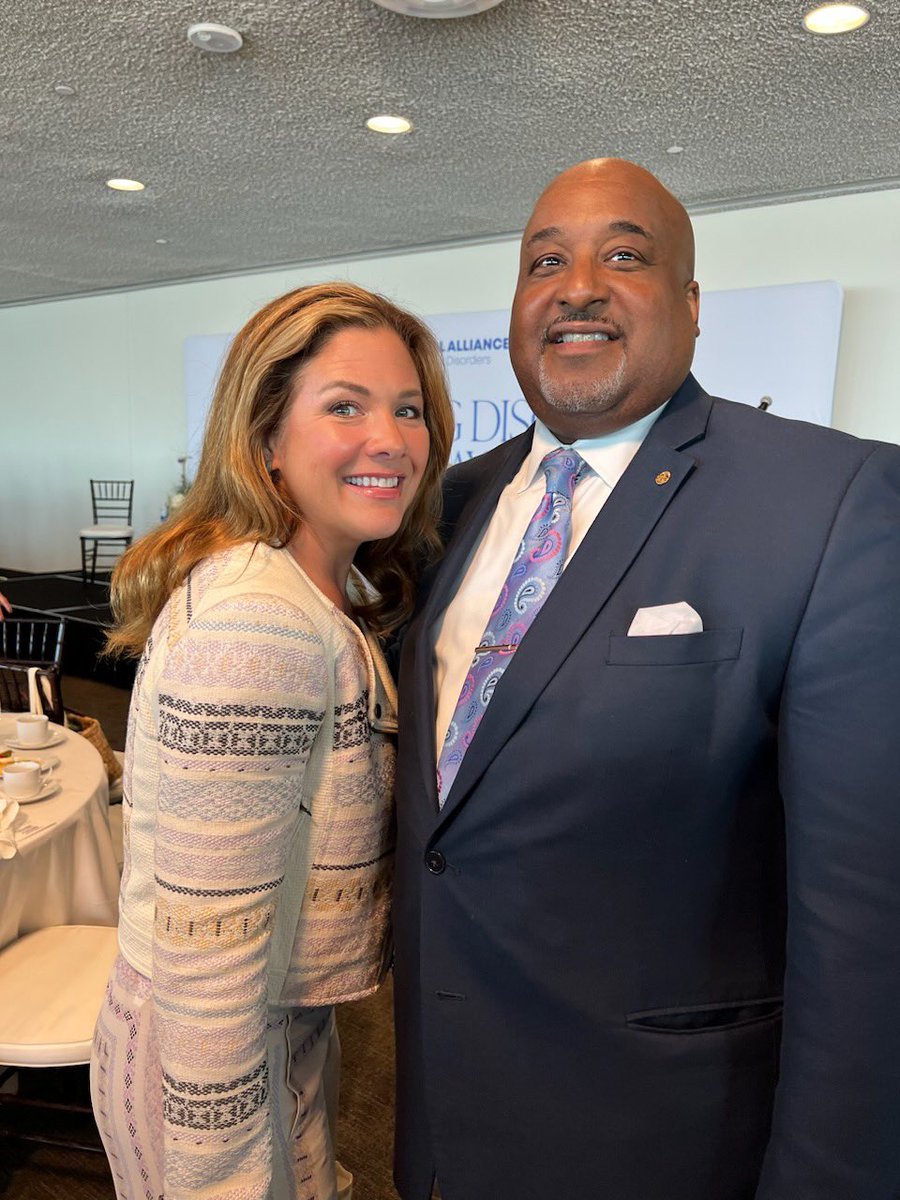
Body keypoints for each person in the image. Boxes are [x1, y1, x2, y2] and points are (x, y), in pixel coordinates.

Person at [391, 158, 900, 1200]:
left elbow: (867, 928)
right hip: (444, 1126)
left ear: (693, 306)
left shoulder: (831, 500)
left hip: (666, 1148)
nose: (577, 285)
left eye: (625, 255)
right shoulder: (443, 508)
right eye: (545, 262)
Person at [90, 281, 454, 1200]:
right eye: (345, 406)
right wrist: (223, 1175)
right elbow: (209, 947)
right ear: (265, 443)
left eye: (407, 409)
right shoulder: (260, 624)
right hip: (210, 1061)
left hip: (271, 1033)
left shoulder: (321, 595)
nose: (391, 439)